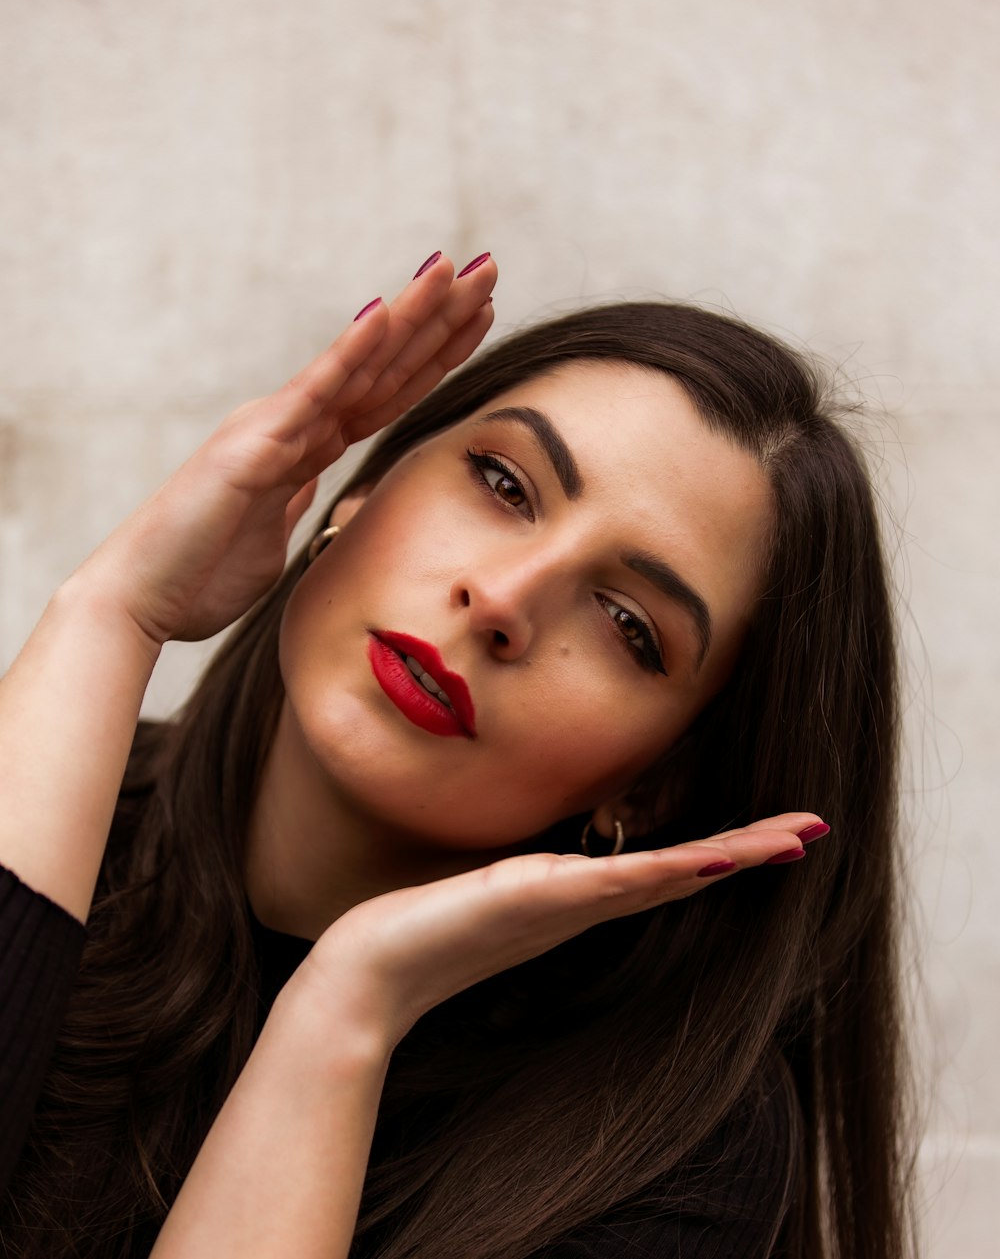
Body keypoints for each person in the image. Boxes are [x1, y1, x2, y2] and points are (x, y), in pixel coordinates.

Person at [0, 251, 916, 1258]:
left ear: (655, 782)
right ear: (357, 491)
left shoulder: (671, 1152)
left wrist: (344, 1012)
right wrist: (111, 613)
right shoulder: (49, 793)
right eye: (502, 482)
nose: (505, 599)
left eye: (626, 622)